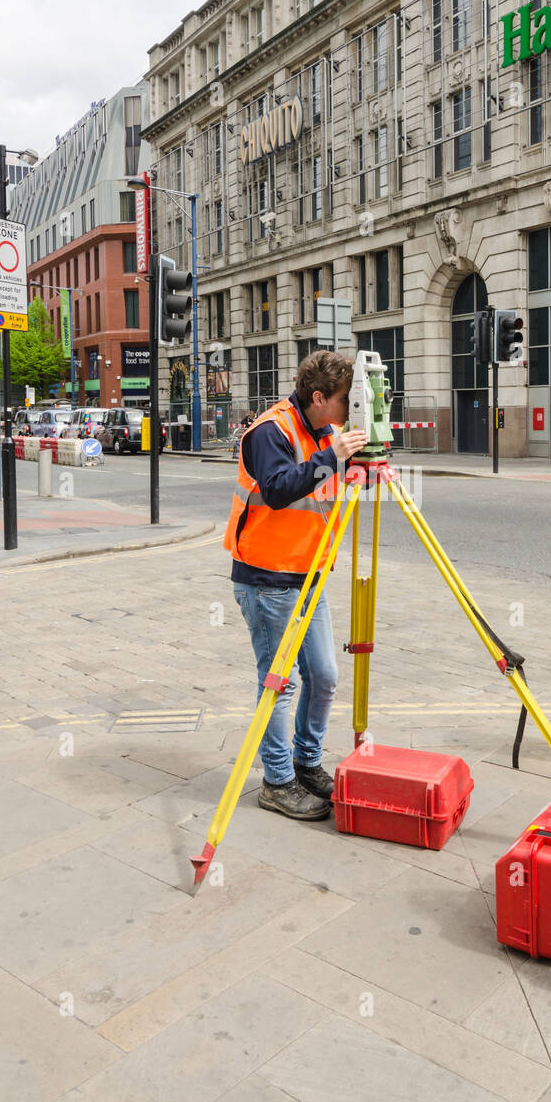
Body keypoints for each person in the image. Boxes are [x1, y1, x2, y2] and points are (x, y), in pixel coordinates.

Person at [225, 351, 368, 820]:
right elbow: (280, 487)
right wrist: (333, 458)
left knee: (324, 676)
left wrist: (354, 467)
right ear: (319, 397)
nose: (351, 409)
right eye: (346, 400)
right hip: (267, 580)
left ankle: (307, 763)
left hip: (309, 577)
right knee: (279, 685)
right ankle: (278, 780)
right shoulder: (271, 431)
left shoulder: (325, 432)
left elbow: (324, 488)